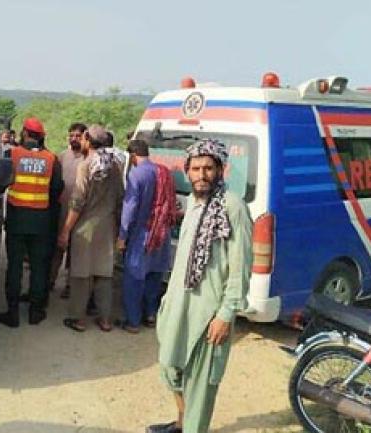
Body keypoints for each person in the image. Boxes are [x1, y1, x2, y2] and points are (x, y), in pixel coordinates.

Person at [148, 138, 252, 433]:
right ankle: (182, 422)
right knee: (170, 369)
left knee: (201, 384)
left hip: (209, 314)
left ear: (221, 170)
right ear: (187, 170)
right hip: (179, 307)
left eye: (209, 168)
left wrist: (226, 314)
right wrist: (167, 301)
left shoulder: (233, 208)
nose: (202, 174)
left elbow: (240, 267)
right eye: (196, 168)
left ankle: (192, 427)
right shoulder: (194, 204)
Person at [0, 118, 64, 327]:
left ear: (25, 133)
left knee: (15, 266)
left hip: (17, 219)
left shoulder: (12, 154)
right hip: (41, 220)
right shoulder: (52, 158)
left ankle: (13, 313)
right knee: (39, 266)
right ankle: (36, 312)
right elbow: (56, 190)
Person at [58, 124, 123, 332]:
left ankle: (78, 318)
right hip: (108, 227)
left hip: (85, 227)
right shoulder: (115, 166)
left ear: (88, 140)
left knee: (81, 275)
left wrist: (66, 230)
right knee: (104, 274)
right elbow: (121, 197)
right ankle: (105, 320)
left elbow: (77, 201)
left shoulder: (85, 166)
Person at [117, 139, 176, 333]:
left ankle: (133, 322)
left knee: (134, 277)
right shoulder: (164, 171)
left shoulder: (137, 174)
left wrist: (122, 235)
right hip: (162, 233)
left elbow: (130, 207)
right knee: (154, 275)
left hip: (143, 234)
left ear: (133, 155)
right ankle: (151, 315)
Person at [49, 122, 87, 299]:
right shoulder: (62, 157)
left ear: (84, 137)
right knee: (56, 248)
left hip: (80, 213)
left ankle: (70, 286)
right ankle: (50, 281)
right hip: (61, 210)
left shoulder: (88, 160)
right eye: (71, 135)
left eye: (78, 136)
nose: (74, 139)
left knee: (75, 252)